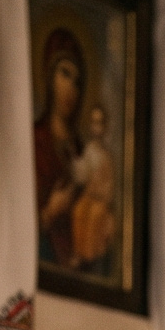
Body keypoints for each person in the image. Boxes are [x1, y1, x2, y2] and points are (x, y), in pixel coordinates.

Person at [32, 27, 84, 267]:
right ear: (49, 76)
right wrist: (50, 213)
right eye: (64, 74)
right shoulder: (34, 139)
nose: (70, 89)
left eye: (77, 81)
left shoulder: (81, 148)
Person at [69, 104, 117, 267]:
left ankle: (89, 257)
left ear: (104, 127)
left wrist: (100, 192)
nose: (96, 127)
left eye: (100, 123)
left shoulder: (107, 157)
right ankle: (78, 254)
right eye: (93, 122)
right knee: (79, 210)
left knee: (95, 216)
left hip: (100, 201)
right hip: (88, 197)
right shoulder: (89, 151)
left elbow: (109, 188)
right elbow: (82, 176)